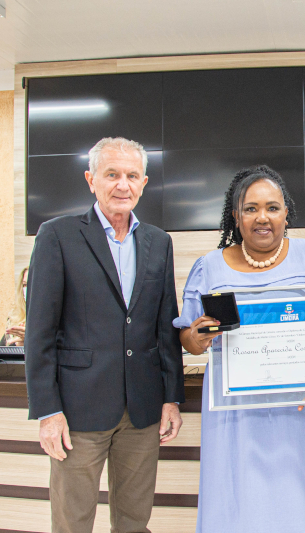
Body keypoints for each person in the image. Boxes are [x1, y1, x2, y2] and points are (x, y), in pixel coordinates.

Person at [174, 165, 305, 533]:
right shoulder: (208, 266)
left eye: (272, 207)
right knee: (241, 508)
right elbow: (189, 341)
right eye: (250, 208)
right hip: (235, 412)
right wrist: (197, 336)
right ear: (235, 216)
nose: (262, 217)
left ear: (286, 213)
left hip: (304, 405)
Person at [25, 137, 185, 533]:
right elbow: (39, 331)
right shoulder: (57, 235)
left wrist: (171, 398)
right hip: (78, 411)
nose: (122, 185)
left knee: (134, 521)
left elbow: (166, 326)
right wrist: (48, 411)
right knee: (72, 521)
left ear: (144, 183)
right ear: (90, 179)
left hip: (143, 410)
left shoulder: (159, 242)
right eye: (111, 174)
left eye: (132, 176)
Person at [0, 267, 27, 346]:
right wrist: (17, 345)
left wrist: (31, 340)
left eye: (32, 284)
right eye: (25, 285)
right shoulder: (16, 318)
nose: (27, 289)